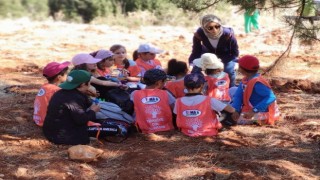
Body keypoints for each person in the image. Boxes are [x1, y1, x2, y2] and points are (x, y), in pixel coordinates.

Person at [43, 70, 101, 145]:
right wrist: (93, 111)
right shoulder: (75, 98)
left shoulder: (60, 92)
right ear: (83, 84)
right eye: (89, 83)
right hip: (65, 137)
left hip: (50, 132)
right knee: (110, 128)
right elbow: (81, 120)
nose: (89, 85)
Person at [188, 14, 239, 87]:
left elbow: (234, 52)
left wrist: (220, 61)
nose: (214, 30)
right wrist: (191, 63)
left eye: (217, 26)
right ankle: (199, 90)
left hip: (225, 56)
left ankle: (231, 89)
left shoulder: (228, 34)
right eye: (210, 28)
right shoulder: (199, 34)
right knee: (195, 70)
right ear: (204, 28)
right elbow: (196, 51)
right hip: (208, 55)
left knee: (229, 71)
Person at [231, 55, 280, 125]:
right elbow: (238, 95)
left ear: (243, 69)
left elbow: (271, 97)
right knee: (232, 90)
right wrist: (235, 110)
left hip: (262, 112)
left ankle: (260, 120)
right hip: (251, 107)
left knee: (233, 120)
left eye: (239, 66)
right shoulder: (246, 79)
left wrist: (254, 111)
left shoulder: (257, 82)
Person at [130, 69, 176, 133]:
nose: (164, 84)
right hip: (165, 128)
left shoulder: (134, 93)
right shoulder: (165, 93)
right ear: (159, 83)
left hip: (142, 129)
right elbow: (175, 110)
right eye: (164, 82)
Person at [33, 61, 70, 126]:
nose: (67, 75)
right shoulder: (57, 91)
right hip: (49, 123)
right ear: (59, 77)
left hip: (38, 119)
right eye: (66, 74)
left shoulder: (44, 87)